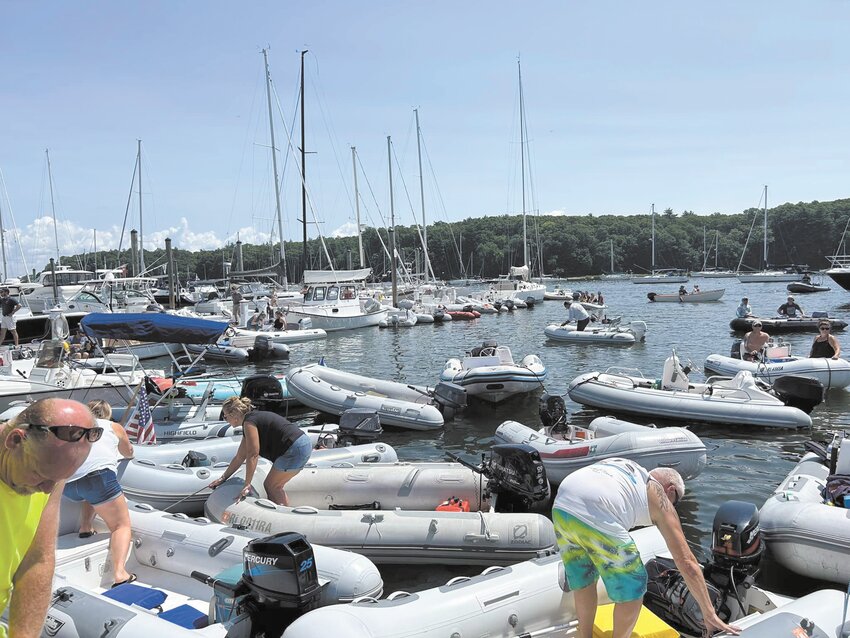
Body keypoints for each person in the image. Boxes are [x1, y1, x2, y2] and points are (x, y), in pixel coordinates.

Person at [552, 458, 740, 638]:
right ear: (670, 490)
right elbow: (686, 561)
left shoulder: (629, 470)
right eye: (675, 501)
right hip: (597, 510)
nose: (673, 507)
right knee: (633, 590)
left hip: (562, 505)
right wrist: (709, 613)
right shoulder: (659, 497)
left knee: (584, 581)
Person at [0, 398, 100, 638]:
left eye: (58, 479)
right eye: (40, 475)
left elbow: (38, 560)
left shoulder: (50, 475)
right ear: (15, 440)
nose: (47, 489)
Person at [63, 400, 135, 587]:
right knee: (121, 526)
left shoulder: (77, 429)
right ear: (108, 414)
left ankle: (85, 527)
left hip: (69, 486)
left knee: (93, 496)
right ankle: (120, 574)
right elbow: (127, 452)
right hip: (99, 480)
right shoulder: (113, 426)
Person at [208, 397, 312, 505]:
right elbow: (240, 457)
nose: (225, 419)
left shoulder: (249, 423)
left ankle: (283, 517)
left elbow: (253, 454)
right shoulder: (250, 421)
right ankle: (281, 513)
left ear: (233, 414)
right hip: (301, 444)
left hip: (294, 448)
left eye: (225, 416)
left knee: (272, 486)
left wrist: (247, 484)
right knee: (274, 486)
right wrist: (223, 478)